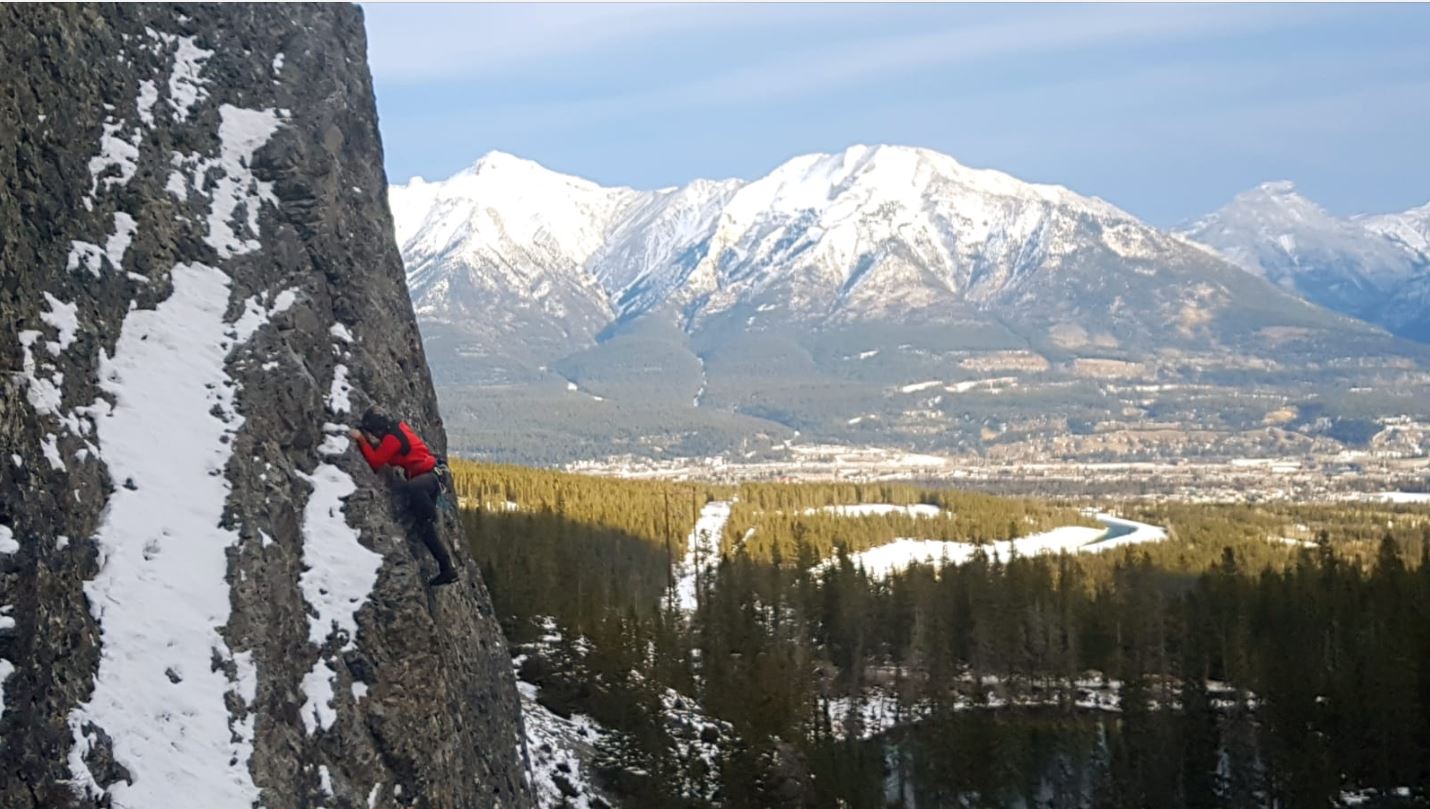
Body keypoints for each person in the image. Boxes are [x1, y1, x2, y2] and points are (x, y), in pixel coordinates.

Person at [350, 405, 459, 586]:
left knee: (414, 491)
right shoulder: (396, 429)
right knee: (425, 530)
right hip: (433, 475)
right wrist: (374, 443)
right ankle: (447, 568)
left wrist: (362, 440)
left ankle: (430, 515)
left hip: (431, 476)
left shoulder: (392, 438)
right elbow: (394, 455)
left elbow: (376, 462)